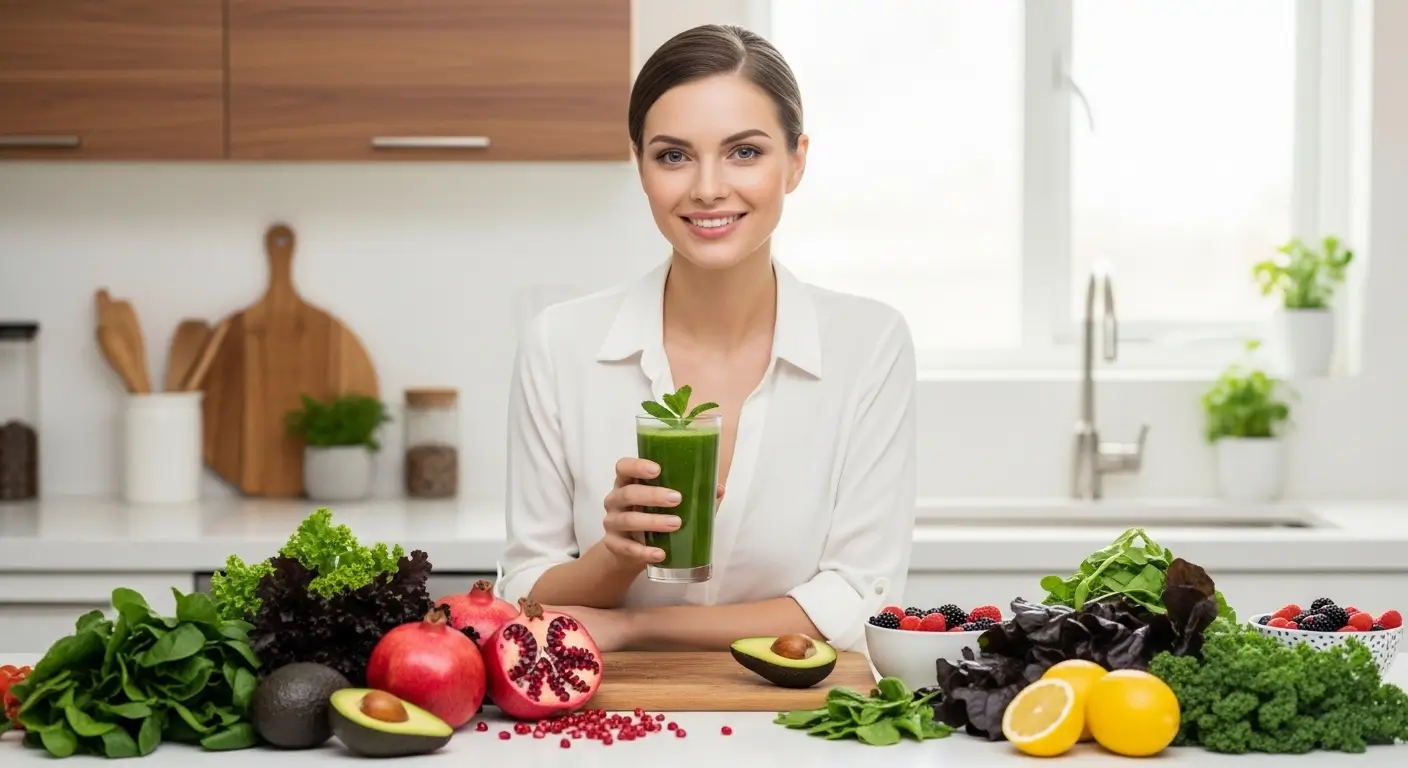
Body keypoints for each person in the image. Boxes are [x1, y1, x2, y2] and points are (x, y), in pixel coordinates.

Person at [495, 24, 917, 654]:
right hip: (601, 724)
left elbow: (861, 599)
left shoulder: (869, 343)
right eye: (673, 155)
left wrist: (640, 625)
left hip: (798, 727)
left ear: (796, 161)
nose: (708, 188)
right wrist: (615, 558)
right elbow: (523, 595)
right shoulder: (559, 344)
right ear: (639, 164)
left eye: (745, 152)